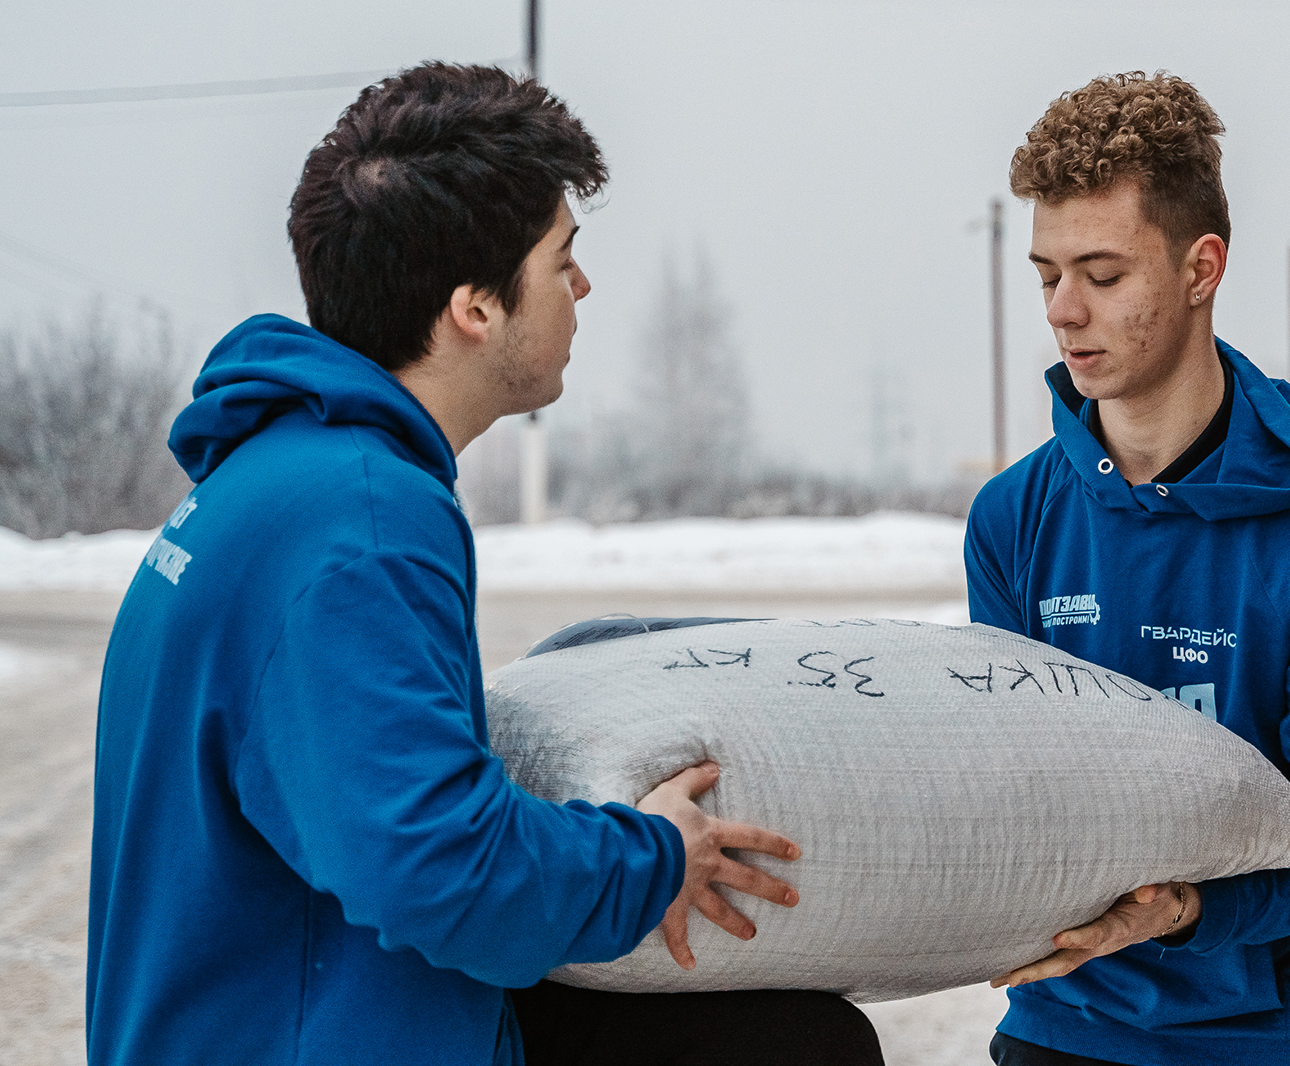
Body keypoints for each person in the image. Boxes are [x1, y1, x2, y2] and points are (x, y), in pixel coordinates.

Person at [86, 64, 878, 1066]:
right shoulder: (364, 523)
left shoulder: (275, 475)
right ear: (474, 308)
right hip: (303, 1036)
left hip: (293, 1008)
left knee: (790, 1035)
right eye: (560, 259)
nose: (581, 287)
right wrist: (654, 856)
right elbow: (440, 867)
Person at [964, 72, 1290, 1066]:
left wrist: (1183, 908)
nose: (1063, 311)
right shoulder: (1011, 519)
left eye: (1102, 274)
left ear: (1201, 268)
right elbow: (1009, 783)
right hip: (1067, 1026)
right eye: (1046, 275)